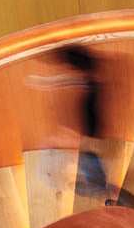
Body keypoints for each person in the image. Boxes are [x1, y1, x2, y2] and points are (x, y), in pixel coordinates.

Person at [28, 44, 115, 205]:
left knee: (90, 166)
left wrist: (62, 141)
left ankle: (106, 195)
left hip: (89, 142)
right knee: (90, 165)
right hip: (90, 140)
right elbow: (63, 81)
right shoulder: (88, 83)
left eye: (66, 67)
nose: (63, 72)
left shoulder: (84, 90)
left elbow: (82, 132)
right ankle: (103, 190)